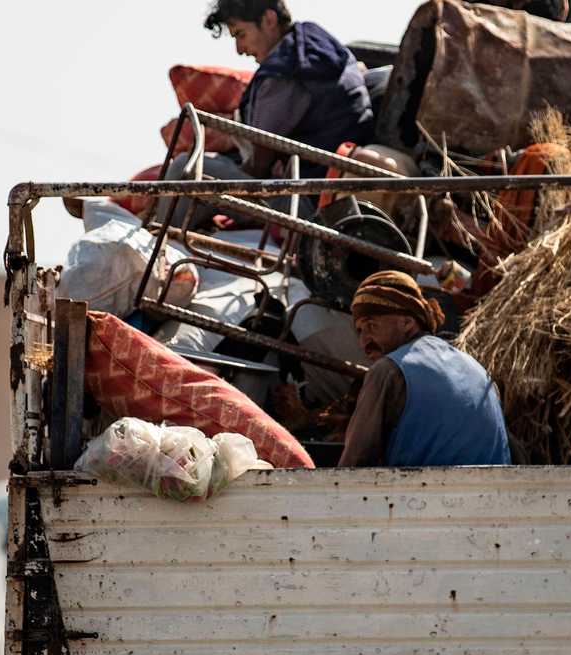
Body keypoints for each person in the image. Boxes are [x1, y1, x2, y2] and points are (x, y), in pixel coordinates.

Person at [159, 1, 373, 224]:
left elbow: (258, 167)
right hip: (327, 194)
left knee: (186, 166)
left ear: (269, 20)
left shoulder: (286, 70)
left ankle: (159, 249)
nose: (239, 50)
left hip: (305, 205)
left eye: (240, 34)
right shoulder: (316, 44)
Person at [339, 271, 511, 467]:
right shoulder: (477, 368)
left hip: (425, 496)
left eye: (371, 326)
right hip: (494, 494)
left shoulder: (388, 370)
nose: (363, 342)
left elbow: (355, 463)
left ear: (407, 323)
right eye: (359, 330)